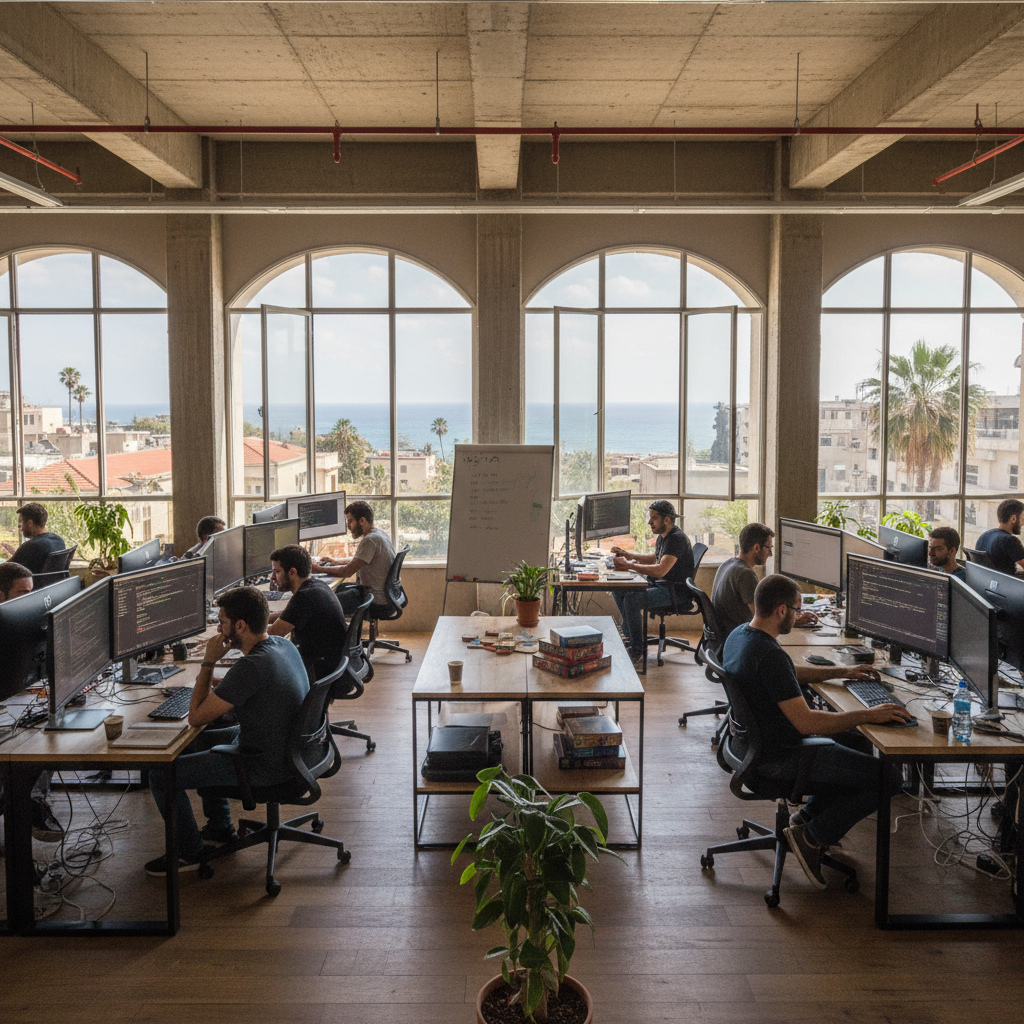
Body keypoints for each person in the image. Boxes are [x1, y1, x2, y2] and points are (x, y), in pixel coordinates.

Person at [722, 573, 909, 889]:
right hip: (781, 757)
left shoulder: (741, 636)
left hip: (747, 747)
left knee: (857, 741)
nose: (798, 615)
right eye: (796, 609)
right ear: (782, 611)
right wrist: (869, 714)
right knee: (889, 778)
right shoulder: (769, 655)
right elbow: (807, 723)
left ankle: (806, 819)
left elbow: (788, 672)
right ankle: (812, 837)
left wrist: (843, 671)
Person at [144, 586, 309, 876]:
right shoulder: (282, 646)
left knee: (160, 773)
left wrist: (208, 662)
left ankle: (189, 852)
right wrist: (221, 681)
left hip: (262, 764)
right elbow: (247, 687)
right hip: (289, 749)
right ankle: (220, 828)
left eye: (221, 621)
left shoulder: (251, 666)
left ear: (240, 626)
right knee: (194, 745)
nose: (218, 628)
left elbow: (195, 716)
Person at [0, 563, 64, 844]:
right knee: (35, 736)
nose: (28, 600)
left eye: (31, 592)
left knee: (53, 722)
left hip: (11, 705)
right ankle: (28, 804)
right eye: (20, 593)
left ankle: (31, 802)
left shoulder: (18, 625)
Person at [607, 500, 695, 668]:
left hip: (675, 592)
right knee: (618, 588)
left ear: (667, 519)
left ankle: (637, 649)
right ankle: (631, 637)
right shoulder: (665, 536)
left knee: (632, 599)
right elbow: (654, 558)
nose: (649, 522)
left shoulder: (676, 539)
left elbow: (661, 570)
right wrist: (628, 554)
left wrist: (629, 565)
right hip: (663, 585)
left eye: (653, 518)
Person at [711, 522, 817, 639]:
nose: (770, 554)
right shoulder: (745, 574)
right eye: (769, 548)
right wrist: (796, 620)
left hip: (723, 637)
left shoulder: (727, 564)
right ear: (756, 548)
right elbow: (762, 620)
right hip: (738, 639)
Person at [268, 543, 348, 679]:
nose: (272, 578)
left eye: (277, 571)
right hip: (336, 667)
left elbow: (273, 633)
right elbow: (288, 616)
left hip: (322, 672)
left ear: (292, 573)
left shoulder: (303, 597)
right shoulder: (317, 586)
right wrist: (262, 618)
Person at [316, 500, 397, 617]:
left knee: (322, 603)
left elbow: (347, 572)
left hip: (374, 601)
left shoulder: (370, 540)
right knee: (329, 591)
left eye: (350, 521)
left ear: (362, 520)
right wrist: (335, 561)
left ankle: (338, 634)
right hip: (385, 597)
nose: (348, 525)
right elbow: (359, 560)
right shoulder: (379, 534)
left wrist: (317, 569)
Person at [3, 503, 66, 573]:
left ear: (30, 523)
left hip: (31, 583)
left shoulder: (31, 546)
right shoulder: (58, 540)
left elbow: (4, 569)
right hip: (54, 583)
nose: (20, 527)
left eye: (21, 522)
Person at [974, 499, 1024, 577]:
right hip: (1007, 586)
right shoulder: (1010, 541)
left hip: (986, 585)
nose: (1023, 523)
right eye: (1022, 519)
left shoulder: (984, 536)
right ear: (1013, 519)